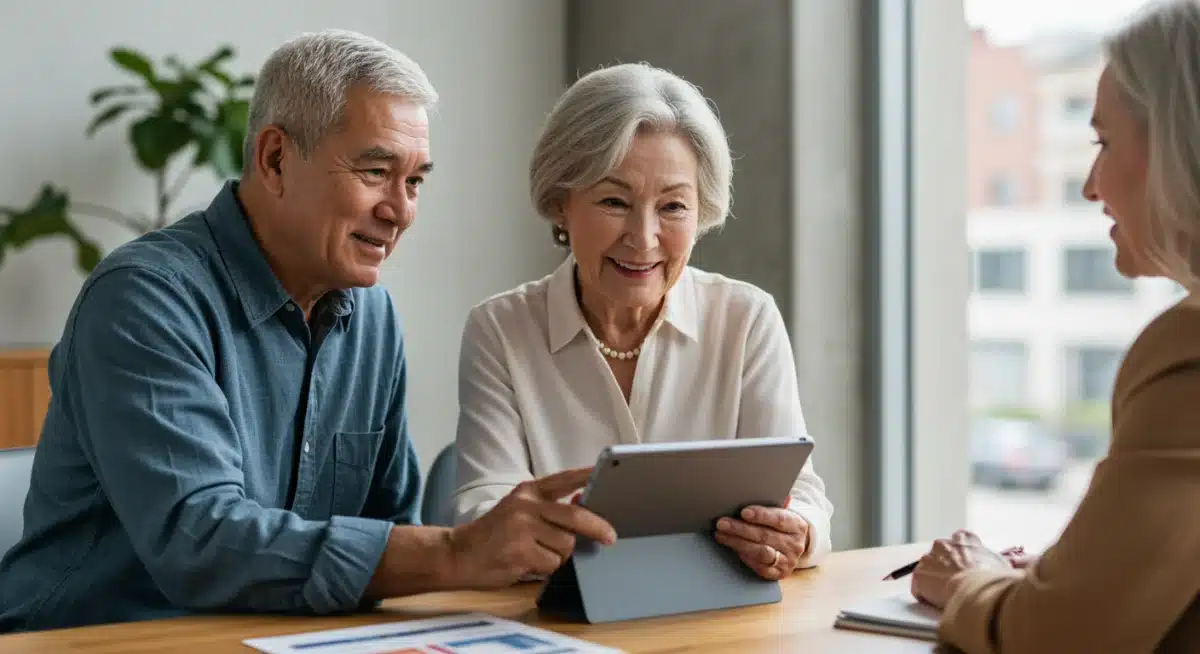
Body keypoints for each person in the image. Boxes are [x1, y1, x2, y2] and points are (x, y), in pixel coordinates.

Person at [0, 29, 615, 633]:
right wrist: (456, 552)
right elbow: (201, 540)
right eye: (375, 171)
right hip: (92, 639)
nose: (400, 210)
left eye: (416, 180)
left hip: (280, 638)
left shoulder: (372, 317)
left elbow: (386, 529)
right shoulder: (144, 298)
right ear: (274, 160)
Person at [451, 62, 835, 580]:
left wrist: (795, 531)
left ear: (702, 213)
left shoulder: (746, 318)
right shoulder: (500, 330)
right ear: (561, 203)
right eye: (614, 201)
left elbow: (802, 493)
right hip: (557, 617)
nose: (644, 237)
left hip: (716, 617)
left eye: (673, 206)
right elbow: (483, 511)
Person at [910, 1, 1200, 651]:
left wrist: (970, 583)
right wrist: (1068, 575)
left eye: (1102, 142)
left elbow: (1060, 637)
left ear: (1181, 143)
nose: (1090, 187)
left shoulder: (1188, 347)